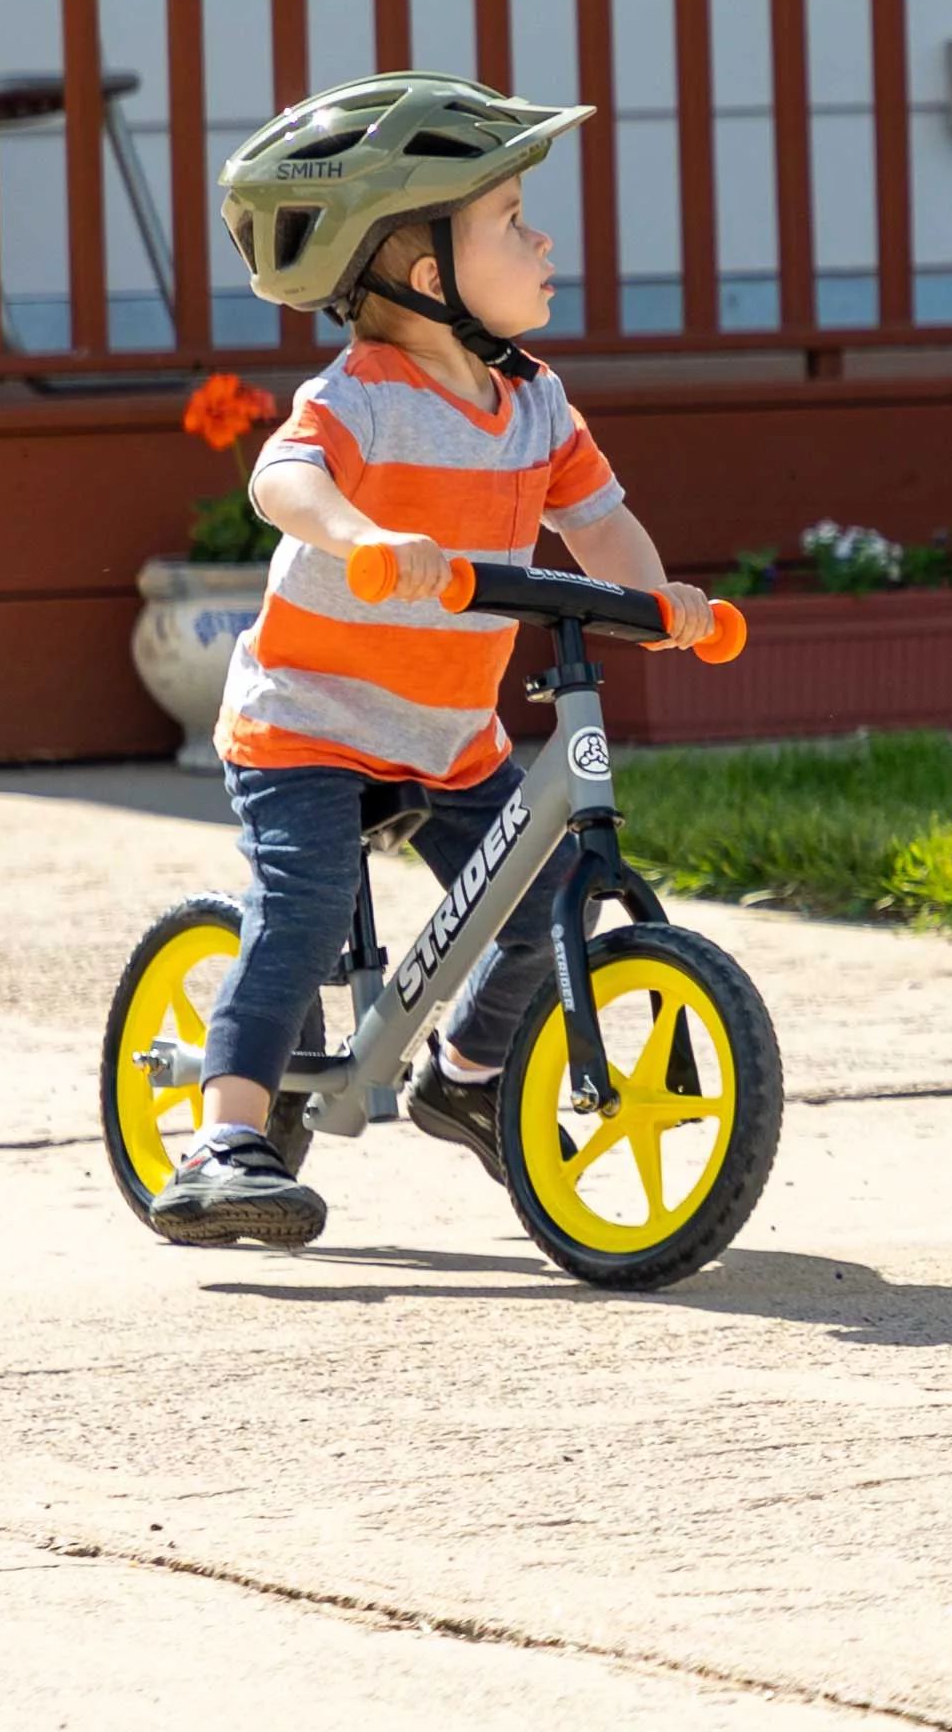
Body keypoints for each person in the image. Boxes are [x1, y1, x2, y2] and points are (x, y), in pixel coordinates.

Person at [147, 73, 708, 1248]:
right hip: (309, 720)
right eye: (511, 220)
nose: (544, 238)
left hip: (446, 730)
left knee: (545, 893)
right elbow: (280, 479)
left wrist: (660, 601)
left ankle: (466, 1073)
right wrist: (361, 537)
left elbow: (598, 524)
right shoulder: (364, 395)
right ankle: (226, 1135)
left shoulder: (537, 403)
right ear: (420, 272)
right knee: (299, 912)